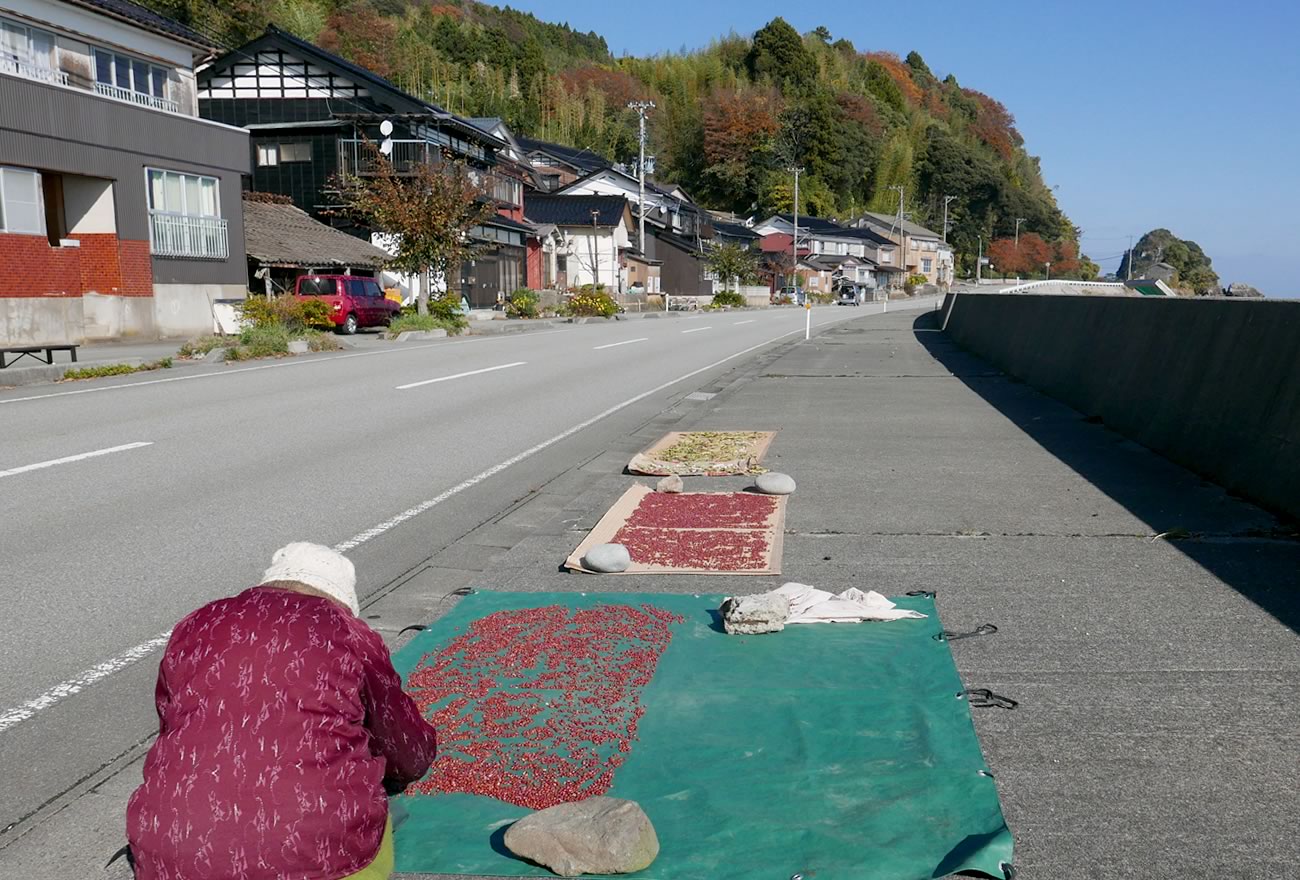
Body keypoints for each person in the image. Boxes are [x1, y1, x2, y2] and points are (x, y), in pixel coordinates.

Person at [126, 542, 436, 880]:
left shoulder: (198, 622)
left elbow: (171, 718)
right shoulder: (348, 631)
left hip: (171, 850)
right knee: (373, 819)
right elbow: (404, 745)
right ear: (342, 599)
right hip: (317, 853)